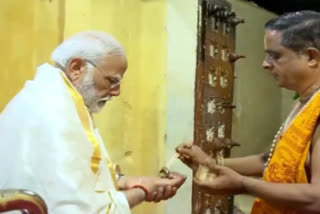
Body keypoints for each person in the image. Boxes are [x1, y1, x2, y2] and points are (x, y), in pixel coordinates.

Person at [0, 31, 186, 213]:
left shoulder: (50, 96)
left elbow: (74, 177)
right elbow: (75, 208)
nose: (116, 92)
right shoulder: (55, 113)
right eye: (111, 81)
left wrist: (123, 181)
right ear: (76, 68)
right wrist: (142, 191)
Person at [177, 10, 320, 214]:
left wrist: (243, 185)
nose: (265, 64)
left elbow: (317, 199)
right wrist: (210, 163)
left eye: (275, 55)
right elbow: (272, 161)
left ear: (311, 57)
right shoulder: (305, 103)